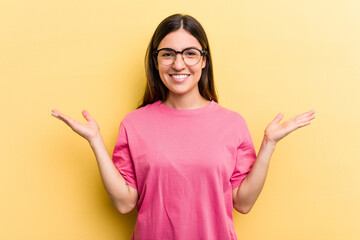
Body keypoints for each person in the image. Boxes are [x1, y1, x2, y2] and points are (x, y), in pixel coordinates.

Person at [51, 14, 315, 240]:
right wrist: (95, 141)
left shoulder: (232, 124)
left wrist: (269, 143)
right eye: (168, 54)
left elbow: (243, 203)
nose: (178, 64)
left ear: (204, 60)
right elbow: (124, 203)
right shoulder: (134, 124)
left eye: (190, 53)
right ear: (156, 61)